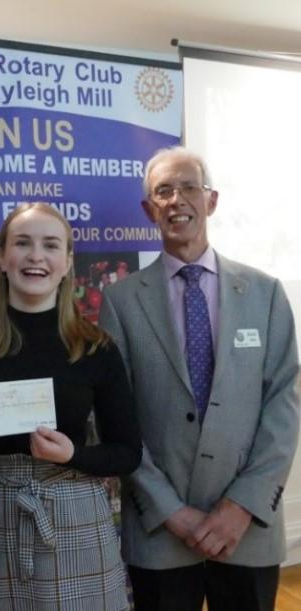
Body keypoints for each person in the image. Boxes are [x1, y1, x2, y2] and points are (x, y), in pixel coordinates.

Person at [99, 146, 300, 611]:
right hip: (161, 531)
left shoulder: (265, 294)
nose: (176, 200)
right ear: (149, 210)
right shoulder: (122, 302)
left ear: (211, 201)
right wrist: (171, 512)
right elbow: (116, 416)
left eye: (189, 187)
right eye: (163, 191)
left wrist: (241, 506)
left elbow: (283, 408)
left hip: (246, 528)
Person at [0, 203, 142, 611]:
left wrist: (74, 454)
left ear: (67, 263)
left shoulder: (96, 347)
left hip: (77, 519)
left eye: (51, 245)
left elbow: (127, 452)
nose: (36, 256)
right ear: (1, 257)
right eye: (22, 243)